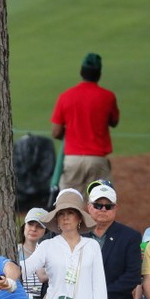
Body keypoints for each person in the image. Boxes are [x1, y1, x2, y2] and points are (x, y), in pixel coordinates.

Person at [51, 53, 120, 194]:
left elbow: (56, 132)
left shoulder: (65, 96)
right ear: (99, 74)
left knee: (70, 206)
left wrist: (69, 134)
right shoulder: (108, 96)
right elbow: (114, 121)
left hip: (72, 159)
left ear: (81, 72)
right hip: (97, 160)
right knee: (100, 206)